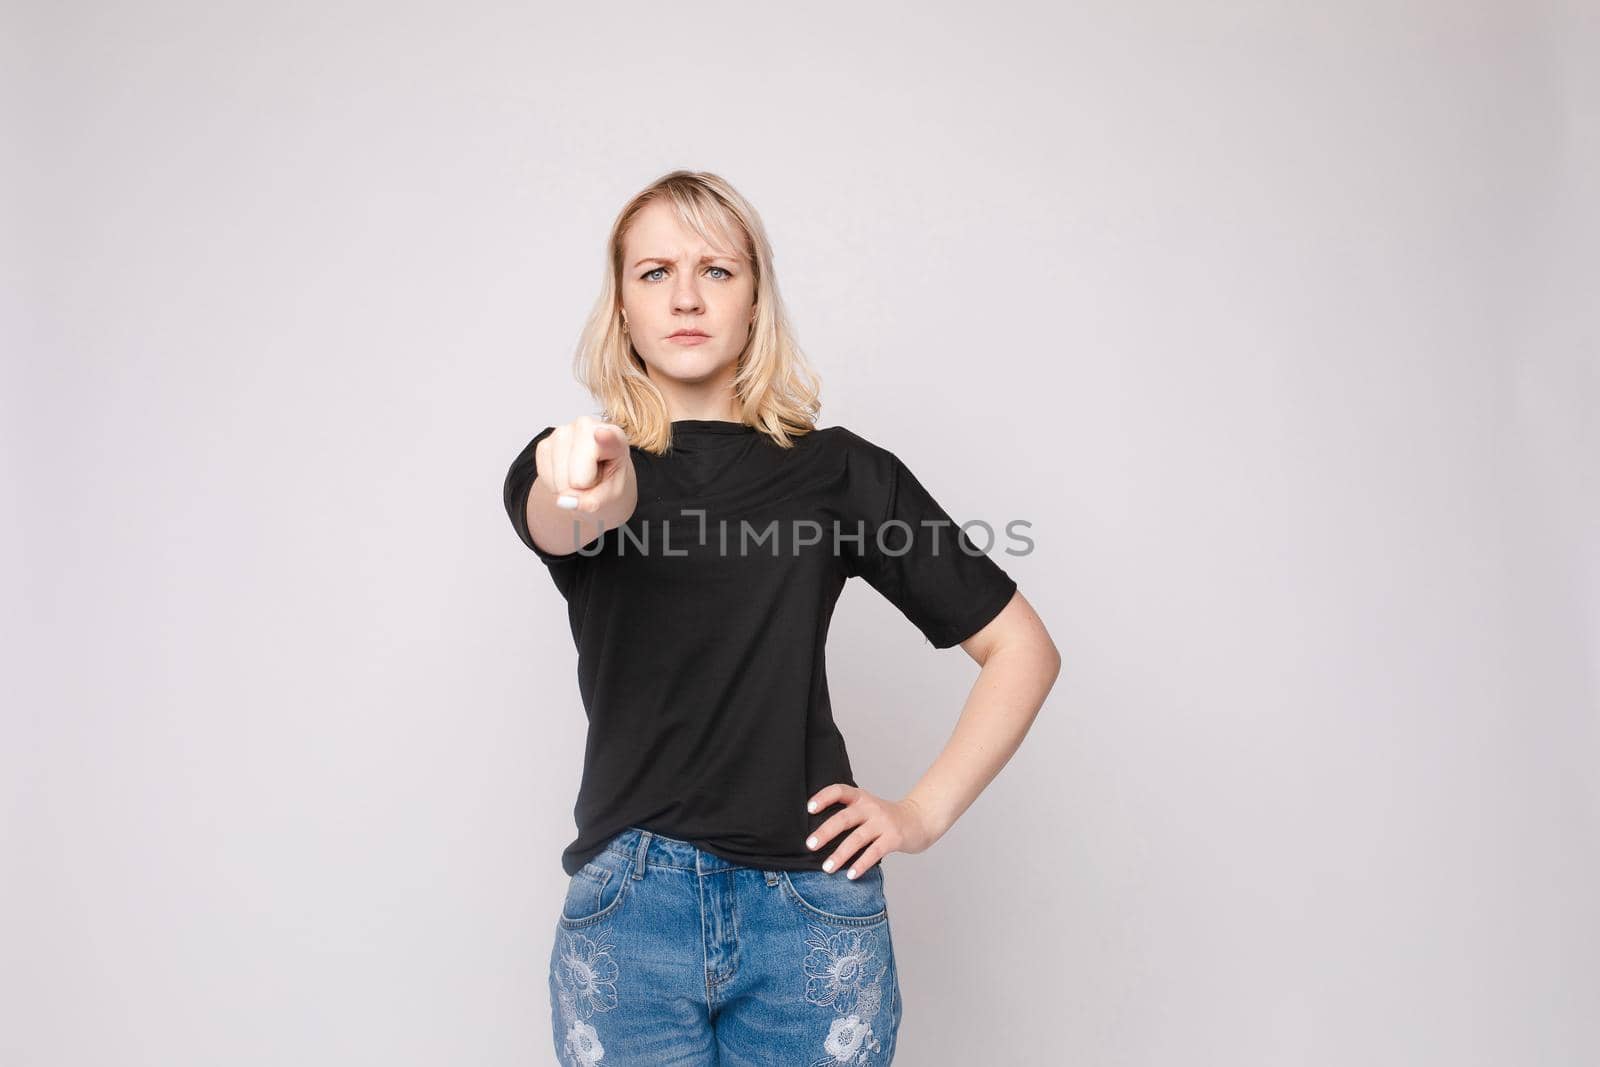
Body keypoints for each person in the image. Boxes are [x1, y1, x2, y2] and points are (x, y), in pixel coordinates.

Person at [503, 170, 1061, 1066]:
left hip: (809, 916)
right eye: (653, 272)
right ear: (621, 305)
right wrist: (580, 471)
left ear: (756, 295)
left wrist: (918, 813)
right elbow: (569, 516)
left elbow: (1022, 650)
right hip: (629, 918)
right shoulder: (580, 467)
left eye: (716, 270)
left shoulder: (839, 474)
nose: (685, 296)